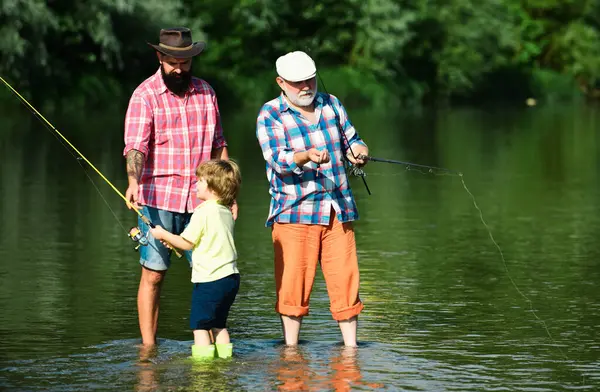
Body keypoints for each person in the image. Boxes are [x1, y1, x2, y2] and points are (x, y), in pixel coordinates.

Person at [123, 27, 237, 347]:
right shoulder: (144, 96)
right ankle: (148, 348)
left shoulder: (206, 92)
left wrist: (229, 196)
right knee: (154, 274)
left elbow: (219, 147)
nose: (179, 68)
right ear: (160, 57)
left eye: (185, 62)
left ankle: (217, 344)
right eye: (173, 61)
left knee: (213, 275)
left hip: (205, 201)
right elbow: (135, 148)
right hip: (158, 201)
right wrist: (133, 182)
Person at [255, 50, 369, 347]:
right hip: (294, 211)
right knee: (293, 286)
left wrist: (360, 152)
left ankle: (351, 350)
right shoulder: (270, 114)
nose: (306, 86)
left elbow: (352, 140)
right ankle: (291, 351)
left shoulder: (333, 105)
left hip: (338, 207)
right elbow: (278, 160)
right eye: (297, 82)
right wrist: (305, 156)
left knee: (346, 280)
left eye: (310, 79)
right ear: (280, 82)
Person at [150, 159, 242, 360]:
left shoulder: (203, 211)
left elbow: (186, 243)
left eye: (200, 181)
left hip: (210, 280)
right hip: (230, 278)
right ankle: (226, 364)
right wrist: (176, 241)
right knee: (219, 325)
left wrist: (162, 234)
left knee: (200, 326)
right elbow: (202, 240)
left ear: (212, 186)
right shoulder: (225, 211)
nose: (196, 185)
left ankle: (203, 371)